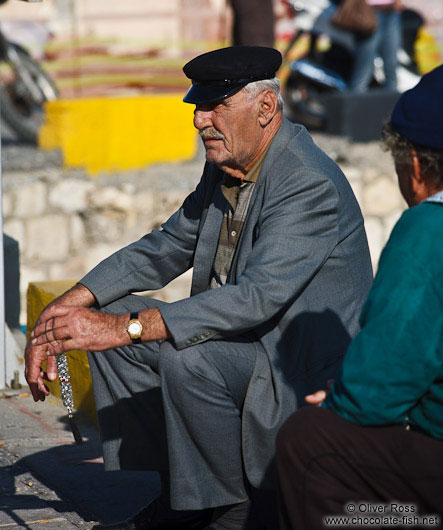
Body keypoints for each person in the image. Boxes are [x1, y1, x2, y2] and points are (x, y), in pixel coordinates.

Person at [25, 46, 372, 530]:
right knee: (116, 324)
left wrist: (122, 327)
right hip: (243, 351)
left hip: (295, 373)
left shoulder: (306, 182)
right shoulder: (229, 163)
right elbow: (167, 246)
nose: (200, 121)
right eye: (197, 106)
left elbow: (255, 297)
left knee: (180, 352)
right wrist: (70, 307)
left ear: (265, 108)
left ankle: (233, 509)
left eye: (215, 107)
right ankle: (184, 495)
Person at [276, 64, 443, 530]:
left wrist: (339, 404)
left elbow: (378, 387)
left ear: (413, 165)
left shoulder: (429, 231)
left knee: (310, 443)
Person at [349, 0, 403, 92]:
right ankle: (355, 102)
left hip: (391, 11)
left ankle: (393, 103)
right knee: (365, 68)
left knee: (392, 64)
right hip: (369, 11)